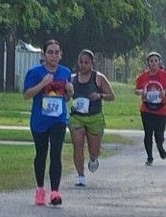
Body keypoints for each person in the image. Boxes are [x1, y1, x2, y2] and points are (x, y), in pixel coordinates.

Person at [23, 39, 73, 206]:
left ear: (61, 54)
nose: (53, 55)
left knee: (56, 154)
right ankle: (40, 189)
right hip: (39, 120)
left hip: (58, 119)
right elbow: (26, 95)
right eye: (50, 52)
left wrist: (69, 93)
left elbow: (65, 98)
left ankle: (55, 193)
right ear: (44, 54)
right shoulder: (35, 72)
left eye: (56, 52)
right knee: (41, 154)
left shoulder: (65, 72)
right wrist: (43, 83)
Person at [69, 49, 115, 186]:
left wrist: (99, 95)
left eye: (86, 62)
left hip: (94, 117)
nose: (83, 65)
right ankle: (80, 175)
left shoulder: (99, 78)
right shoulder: (72, 78)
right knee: (77, 144)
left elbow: (112, 96)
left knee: (93, 150)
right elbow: (65, 95)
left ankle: (93, 158)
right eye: (81, 62)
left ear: (92, 63)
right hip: (77, 116)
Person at [135, 52, 166, 166]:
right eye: (151, 61)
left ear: (159, 62)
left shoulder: (165, 75)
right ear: (148, 63)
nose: (153, 63)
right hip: (146, 109)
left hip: (161, 109)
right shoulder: (142, 76)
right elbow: (136, 90)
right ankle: (149, 157)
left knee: (159, 134)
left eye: (155, 61)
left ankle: (160, 145)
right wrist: (141, 92)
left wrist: (165, 92)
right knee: (148, 133)